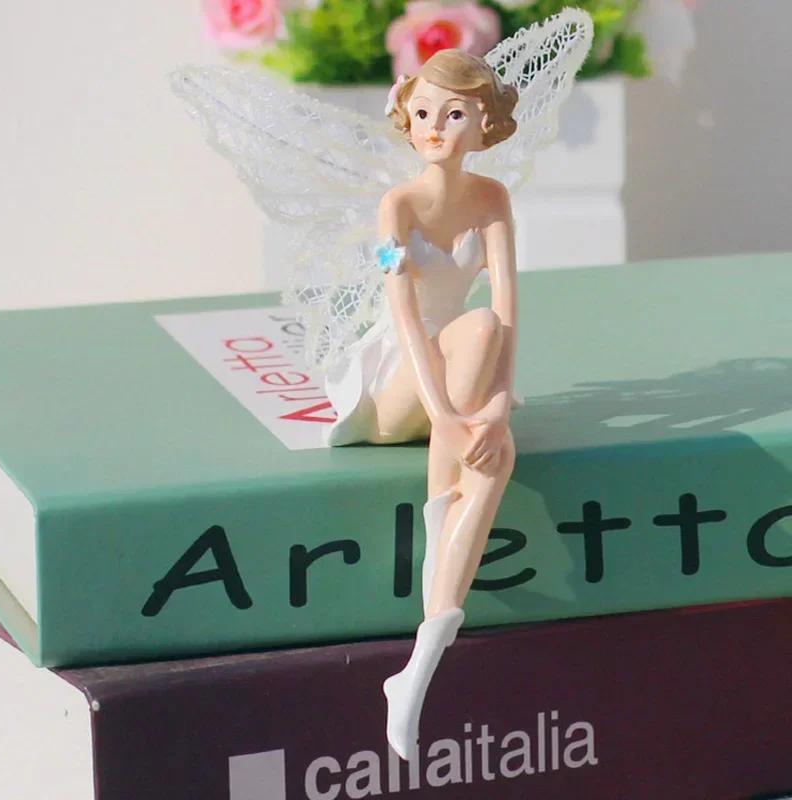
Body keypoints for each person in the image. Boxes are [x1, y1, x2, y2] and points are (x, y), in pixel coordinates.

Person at [322, 48, 519, 760]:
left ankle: (422, 659)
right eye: (425, 112)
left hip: (463, 373)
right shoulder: (397, 207)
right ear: (406, 118)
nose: (436, 127)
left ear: (484, 122)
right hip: (402, 387)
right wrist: (449, 416)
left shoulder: (493, 200)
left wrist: (495, 411)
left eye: (455, 113)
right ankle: (443, 520)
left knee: (499, 453)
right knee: (476, 336)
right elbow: (405, 317)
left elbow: (508, 312)